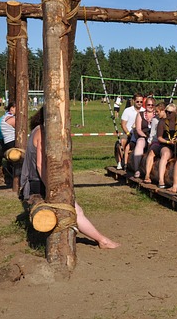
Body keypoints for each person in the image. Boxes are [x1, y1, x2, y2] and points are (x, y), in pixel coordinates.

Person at [20, 107, 120, 249]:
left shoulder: (37, 129)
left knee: (76, 208)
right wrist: (52, 187)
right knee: (73, 209)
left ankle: (99, 238)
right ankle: (102, 240)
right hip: (37, 184)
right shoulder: (42, 132)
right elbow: (41, 166)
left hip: (34, 181)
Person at [156, 103, 177, 188]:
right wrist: (168, 142)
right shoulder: (162, 122)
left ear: (175, 113)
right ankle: (161, 179)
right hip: (166, 143)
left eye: (170, 112)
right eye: (166, 112)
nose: (167, 114)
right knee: (165, 154)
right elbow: (159, 138)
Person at [131, 96, 156, 179]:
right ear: (145, 105)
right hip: (144, 135)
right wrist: (145, 136)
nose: (150, 106)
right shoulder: (140, 114)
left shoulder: (157, 114)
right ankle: (137, 168)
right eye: (148, 104)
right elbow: (138, 129)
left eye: (152, 105)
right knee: (140, 143)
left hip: (155, 136)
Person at [143, 102, 166, 183]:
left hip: (166, 142)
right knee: (152, 152)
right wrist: (150, 143)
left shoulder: (169, 119)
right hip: (156, 141)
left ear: (163, 111)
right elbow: (152, 133)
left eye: (157, 112)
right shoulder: (155, 120)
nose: (156, 113)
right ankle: (147, 175)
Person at [118, 93, 143, 170]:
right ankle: (120, 161)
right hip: (128, 132)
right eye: (137, 101)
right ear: (133, 101)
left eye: (141, 102)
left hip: (139, 133)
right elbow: (123, 124)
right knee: (122, 141)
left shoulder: (144, 111)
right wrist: (128, 133)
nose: (139, 103)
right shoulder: (127, 110)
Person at [0, 102, 17, 183]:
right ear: (12, 108)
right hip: (12, 141)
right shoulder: (11, 119)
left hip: (8, 142)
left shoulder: (5, 117)